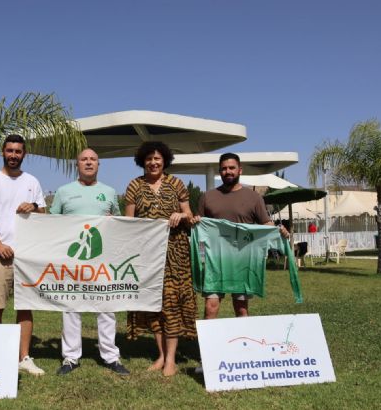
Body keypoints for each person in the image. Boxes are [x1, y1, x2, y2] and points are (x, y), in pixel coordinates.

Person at [49, 148, 130, 376]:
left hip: (102, 260)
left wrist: (112, 221)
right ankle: (71, 357)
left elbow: (117, 222)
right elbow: (51, 224)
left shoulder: (110, 192)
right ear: (77, 164)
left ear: (98, 164)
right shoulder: (64, 192)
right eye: (83, 159)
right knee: (71, 306)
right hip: (72, 260)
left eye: (92, 159)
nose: (88, 162)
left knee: (106, 306)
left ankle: (110, 356)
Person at [0, 134, 46, 376]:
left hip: (26, 256)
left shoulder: (32, 182)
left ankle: (24, 357)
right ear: (3, 152)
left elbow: (44, 215)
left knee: (25, 307)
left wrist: (34, 207)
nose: (13, 155)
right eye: (10, 151)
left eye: (18, 151)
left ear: (24, 154)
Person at [124, 141, 197, 377]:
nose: (153, 163)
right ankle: (161, 354)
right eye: (148, 159)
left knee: (172, 303)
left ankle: (171, 360)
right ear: (142, 162)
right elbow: (129, 223)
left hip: (175, 254)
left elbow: (190, 215)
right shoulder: (135, 186)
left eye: (157, 159)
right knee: (153, 304)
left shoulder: (176, 184)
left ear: (164, 160)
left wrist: (181, 214)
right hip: (148, 254)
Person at [196, 152, 289, 319]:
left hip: (242, 260)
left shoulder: (254, 197)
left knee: (241, 308)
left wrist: (279, 231)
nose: (228, 171)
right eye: (224, 169)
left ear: (240, 170)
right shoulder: (207, 197)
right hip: (215, 261)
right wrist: (201, 256)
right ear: (220, 171)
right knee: (210, 307)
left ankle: (243, 344)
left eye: (232, 168)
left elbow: (266, 225)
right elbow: (200, 230)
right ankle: (208, 345)